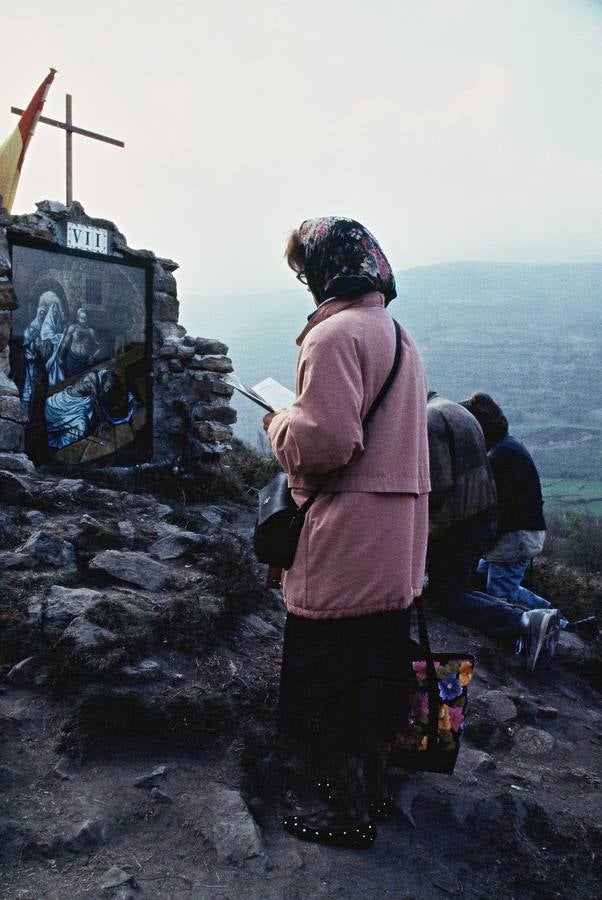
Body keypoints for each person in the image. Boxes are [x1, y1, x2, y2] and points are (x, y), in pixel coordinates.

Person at [263, 217, 430, 849]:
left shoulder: (333, 336)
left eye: (304, 269)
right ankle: (373, 792)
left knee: (331, 677)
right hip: (394, 537)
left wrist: (280, 422)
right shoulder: (397, 335)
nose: (304, 281)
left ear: (323, 267)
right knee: (374, 670)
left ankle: (347, 812)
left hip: (348, 535)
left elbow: (326, 443)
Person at [426, 392, 561, 672]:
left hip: (513, 536)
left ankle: (527, 626)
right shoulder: (506, 447)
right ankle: (550, 617)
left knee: (493, 591)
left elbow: (497, 503)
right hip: (516, 532)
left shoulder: (500, 455)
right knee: (489, 580)